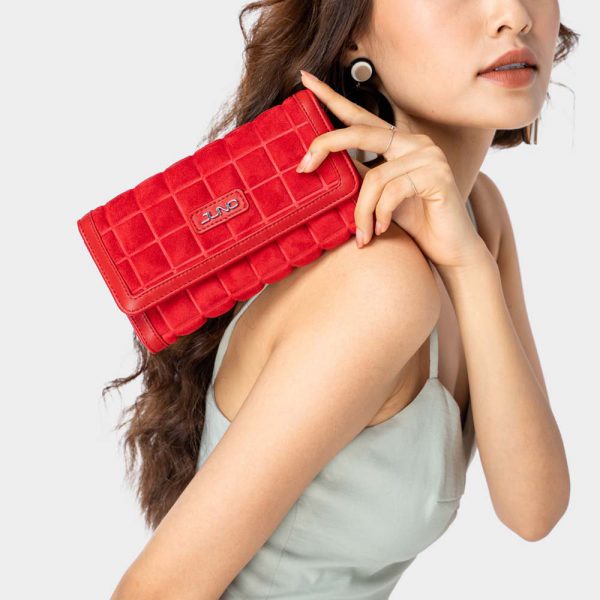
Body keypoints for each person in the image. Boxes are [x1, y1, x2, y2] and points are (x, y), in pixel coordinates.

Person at [107, 2, 578, 598]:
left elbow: (534, 510)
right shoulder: (375, 281)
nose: (513, 15)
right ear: (353, 33)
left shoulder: (477, 216)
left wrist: (470, 267)